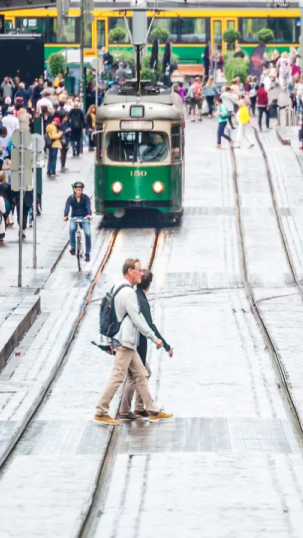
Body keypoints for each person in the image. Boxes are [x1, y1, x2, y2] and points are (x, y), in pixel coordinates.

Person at [93, 259, 170, 425]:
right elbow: (138, 319)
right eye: (138, 270)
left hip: (125, 341)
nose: (141, 273)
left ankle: (152, 410)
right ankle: (101, 411)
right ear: (130, 271)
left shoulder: (118, 286)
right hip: (125, 341)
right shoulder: (128, 293)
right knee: (117, 376)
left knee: (141, 374)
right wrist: (154, 337)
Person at [118, 270, 173, 420]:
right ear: (148, 285)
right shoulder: (140, 300)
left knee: (141, 374)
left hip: (131, 341)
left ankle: (138, 408)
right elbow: (149, 325)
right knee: (136, 375)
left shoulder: (135, 296)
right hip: (136, 343)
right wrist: (164, 344)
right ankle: (128, 409)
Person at [63, 181, 92, 262]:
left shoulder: (85, 197)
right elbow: (67, 207)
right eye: (77, 190)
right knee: (72, 229)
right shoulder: (71, 198)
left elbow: (88, 206)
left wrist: (89, 214)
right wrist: (65, 215)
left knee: (88, 233)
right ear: (74, 190)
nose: (79, 191)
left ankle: (87, 252)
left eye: (80, 190)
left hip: (84, 217)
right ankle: (73, 247)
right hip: (74, 217)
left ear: (82, 190)